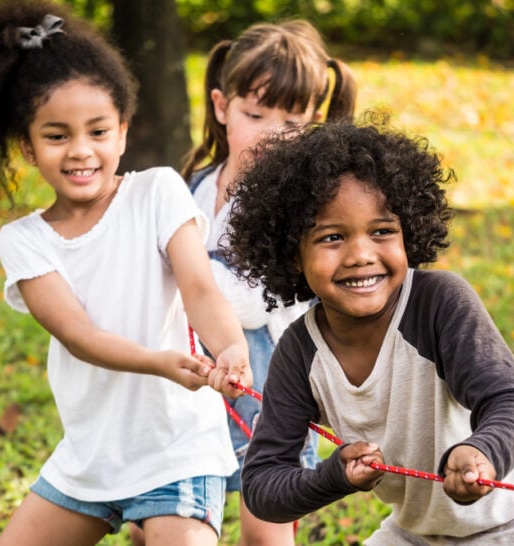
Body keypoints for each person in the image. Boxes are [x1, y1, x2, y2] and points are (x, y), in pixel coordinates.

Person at [0, 1, 253, 545]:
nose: (81, 151)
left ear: (122, 131)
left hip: (174, 449)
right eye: (57, 135)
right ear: (27, 145)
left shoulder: (157, 192)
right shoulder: (24, 240)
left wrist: (230, 346)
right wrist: (162, 363)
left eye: (97, 131)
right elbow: (80, 336)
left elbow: (201, 288)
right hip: (90, 460)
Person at [225, 118, 514, 545]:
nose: (361, 255)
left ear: (409, 232)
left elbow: (509, 402)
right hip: (426, 532)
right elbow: (262, 484)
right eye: (332, 238)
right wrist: (333, 476)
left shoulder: (438, 303)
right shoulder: (299, 351)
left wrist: (482, 452)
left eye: (382, 231)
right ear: (292, 255)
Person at [183, 19, 358, 546]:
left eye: (290, 121)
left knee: (266, 526)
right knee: (180, 509)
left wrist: (182, 275)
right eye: (253, 114)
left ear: (313, 123)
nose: (269, 134)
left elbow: (253, 299)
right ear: (221, 108)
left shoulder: (295, 202)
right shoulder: (197, 183)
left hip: (271, 380)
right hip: (201, 380)